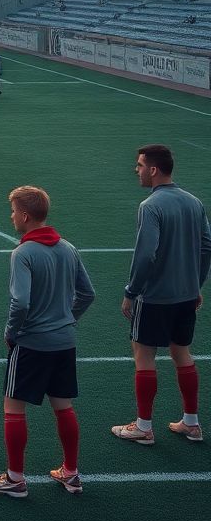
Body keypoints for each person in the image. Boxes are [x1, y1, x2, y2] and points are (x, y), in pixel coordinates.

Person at [0, 186, 95, 498]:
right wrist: (67, 319)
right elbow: (88, 293)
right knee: (63, 406)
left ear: (25, 215)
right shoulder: (68, 248)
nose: (12, 216)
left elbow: (21, 302)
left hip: (32, 343)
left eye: (14, 211)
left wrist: (11, 333)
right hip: (64, 341)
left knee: (13, 406)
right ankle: (71, 472)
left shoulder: (24, 254)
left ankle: (15, 479)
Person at [111, 145, 211, 445]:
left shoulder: (150, 206)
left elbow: (145, 256)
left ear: (154, 170)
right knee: (182, 353)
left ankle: (143, 426)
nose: (137, 170)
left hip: (154, 296)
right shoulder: (194, 202)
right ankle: (191, 423)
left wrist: (132, 291)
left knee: (143, 355)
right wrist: (196, 285)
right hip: (185, 295)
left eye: (140, 165)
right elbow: (207, 246)